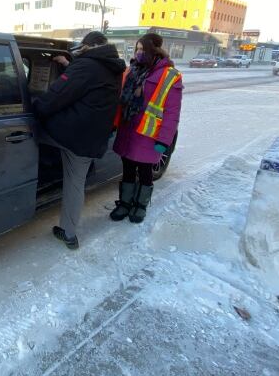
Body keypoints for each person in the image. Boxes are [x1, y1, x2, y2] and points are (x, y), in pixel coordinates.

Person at [33, 31, 126, 249]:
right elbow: (87, 82)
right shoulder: (111, 66)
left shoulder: (85, 67)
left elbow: (56, 96)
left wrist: (34, 109)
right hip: (92, 138)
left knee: (32, 134)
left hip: (69, 134)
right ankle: (68, 233)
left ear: (87, 47)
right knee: (75, 185)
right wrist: (69, 64)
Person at [110, 33, 183, 223]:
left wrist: (164, 141)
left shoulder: (169, 76)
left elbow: (172, 112)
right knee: (127, 168)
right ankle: (125, 203)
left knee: (144, 172)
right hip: (128, 129)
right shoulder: (132, 69)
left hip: (148, 134)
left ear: (153, 50)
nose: (139, 53)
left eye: (143, 49)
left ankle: (140, 206)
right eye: (137, 49)